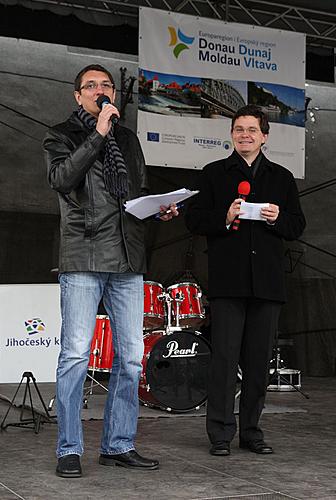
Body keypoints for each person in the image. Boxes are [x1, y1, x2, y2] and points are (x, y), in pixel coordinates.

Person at [43, 64, 178, 478]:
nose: (100, 90)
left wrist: (158, 210)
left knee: (132, 358)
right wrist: (98, 133)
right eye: (91, 86)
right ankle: (69, 448)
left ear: (114, 94)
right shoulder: (61, 134)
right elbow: (62, 179)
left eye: (106, 85)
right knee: (76, 356)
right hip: (83, 256)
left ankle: (118, 444)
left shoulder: (129, 139)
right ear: (77, 96)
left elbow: (132, 195)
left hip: (127, 258)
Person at [185, 104, 305, 456]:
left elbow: (296, 227)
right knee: (223, 359)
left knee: (258, 361)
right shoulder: (213, 174)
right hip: (228, 282)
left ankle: (251, 431)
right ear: (232, 134)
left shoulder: (281, 179)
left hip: (267, 284)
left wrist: (278, 218)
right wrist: (224, 215)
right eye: (239, 129)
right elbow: (193, 220)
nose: (245, 135)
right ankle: (220, 434)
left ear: (264, 136)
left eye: (252, 130)